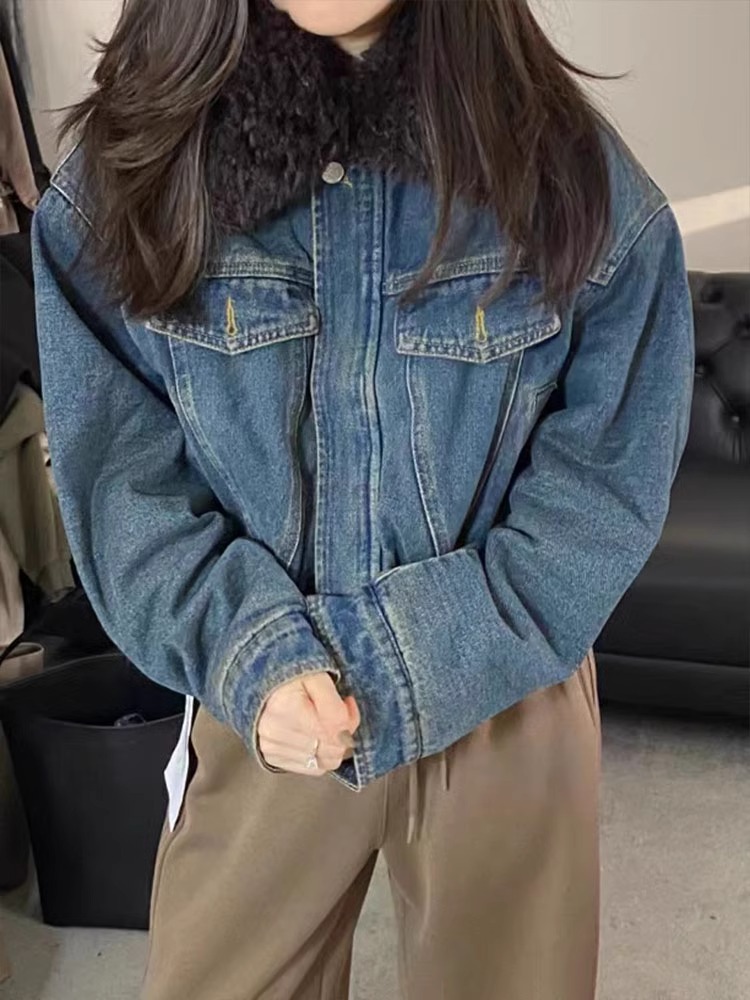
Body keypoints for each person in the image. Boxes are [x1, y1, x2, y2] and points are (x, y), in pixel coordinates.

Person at [32, 1, 695, 997]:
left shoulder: (570, 174)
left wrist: (431, 646)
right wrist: (247, 649)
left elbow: (606, 479)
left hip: (505, 682)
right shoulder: (132, 171)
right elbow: (122, 479)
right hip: (261, 692)